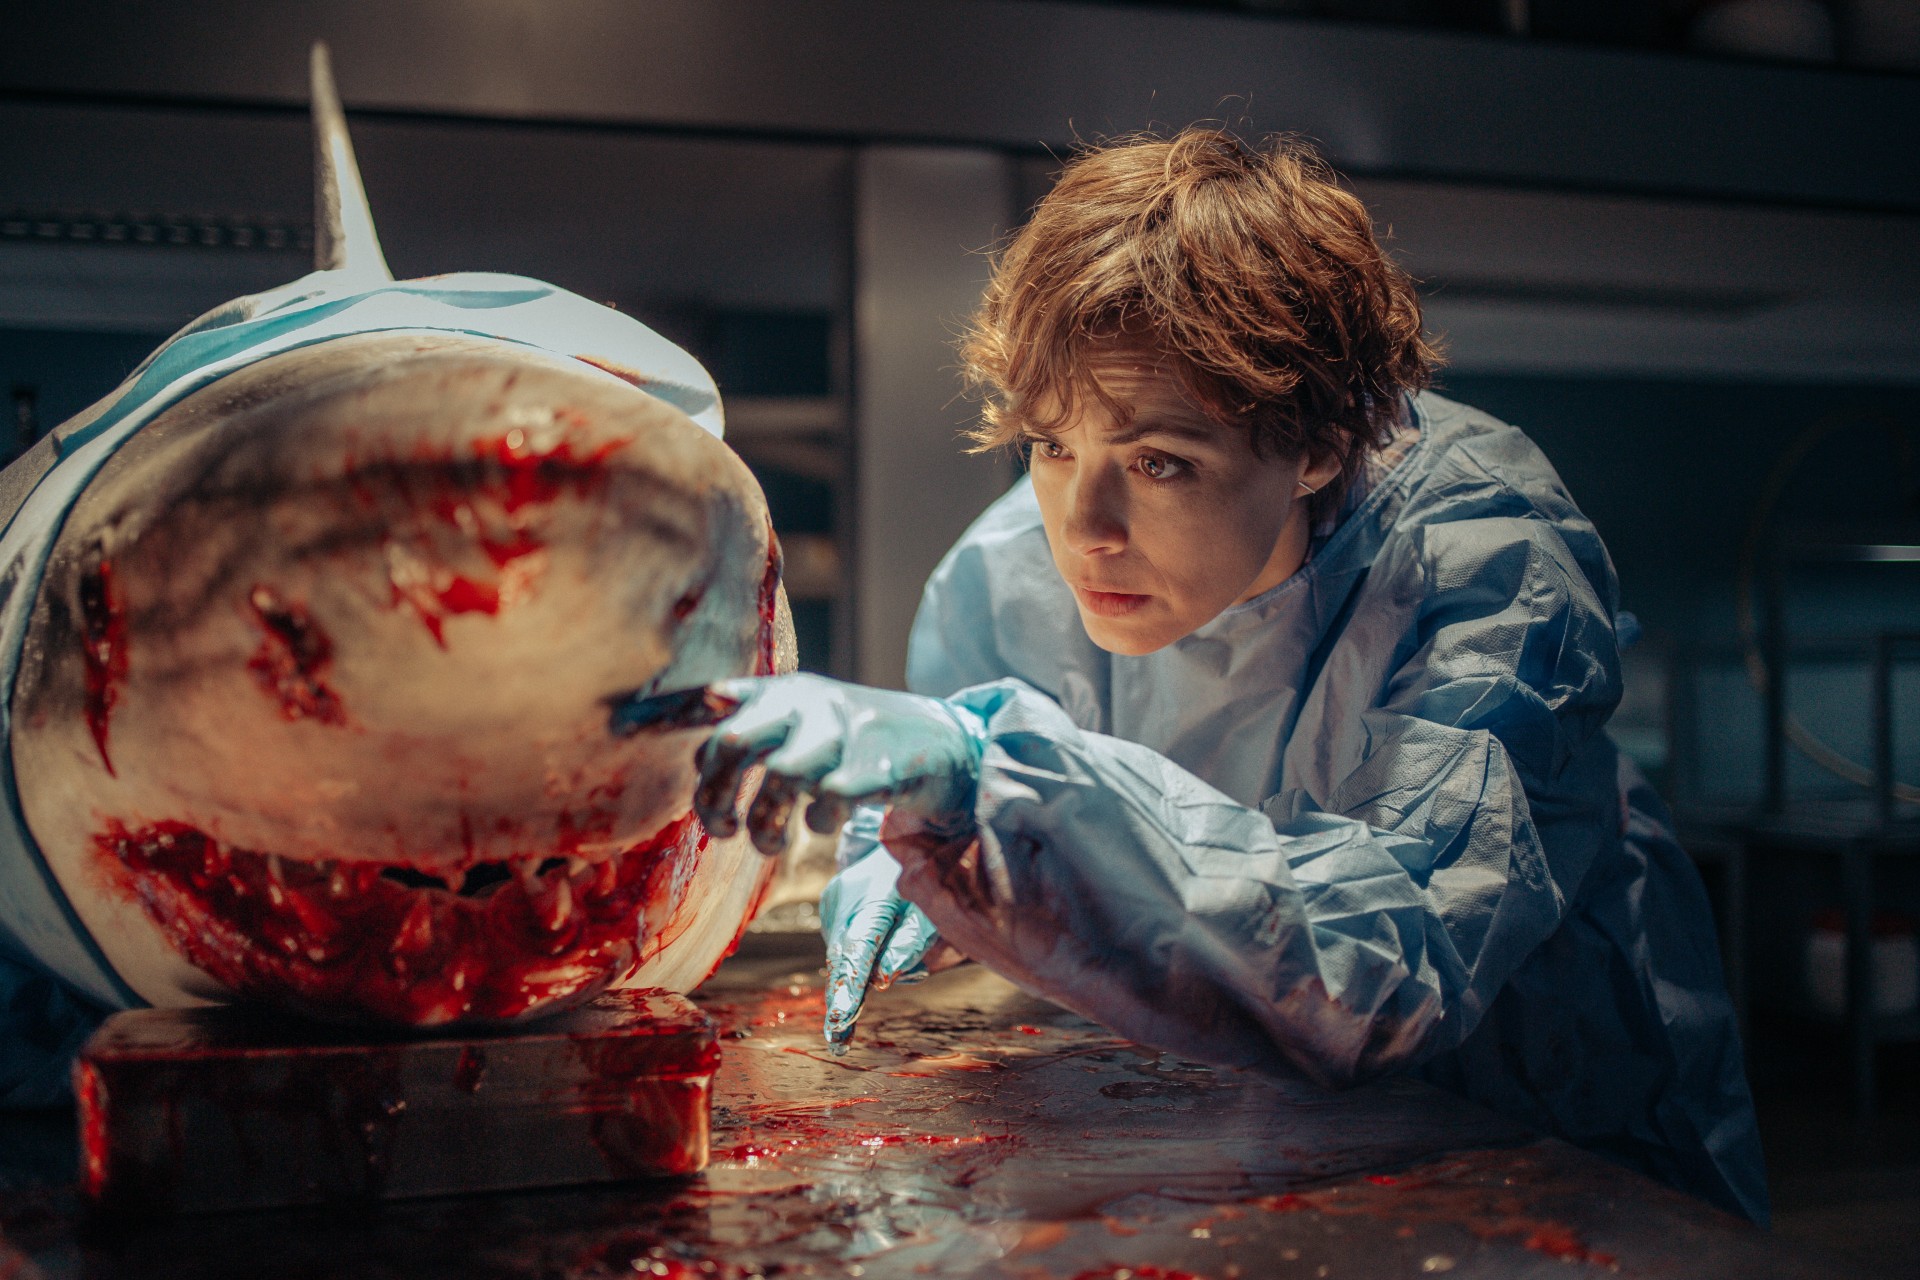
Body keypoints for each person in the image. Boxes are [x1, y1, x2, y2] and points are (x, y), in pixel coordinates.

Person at [690, 129, 1767, 1224]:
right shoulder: (1005, 577)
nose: (1083, 529)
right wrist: (915, 841)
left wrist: (1004, 782)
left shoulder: (1487, 567)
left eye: (1161, 461)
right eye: (1052, 444)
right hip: (1252, 1137)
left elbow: (1391, 965)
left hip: (1552, 1145)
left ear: (1320, 443)